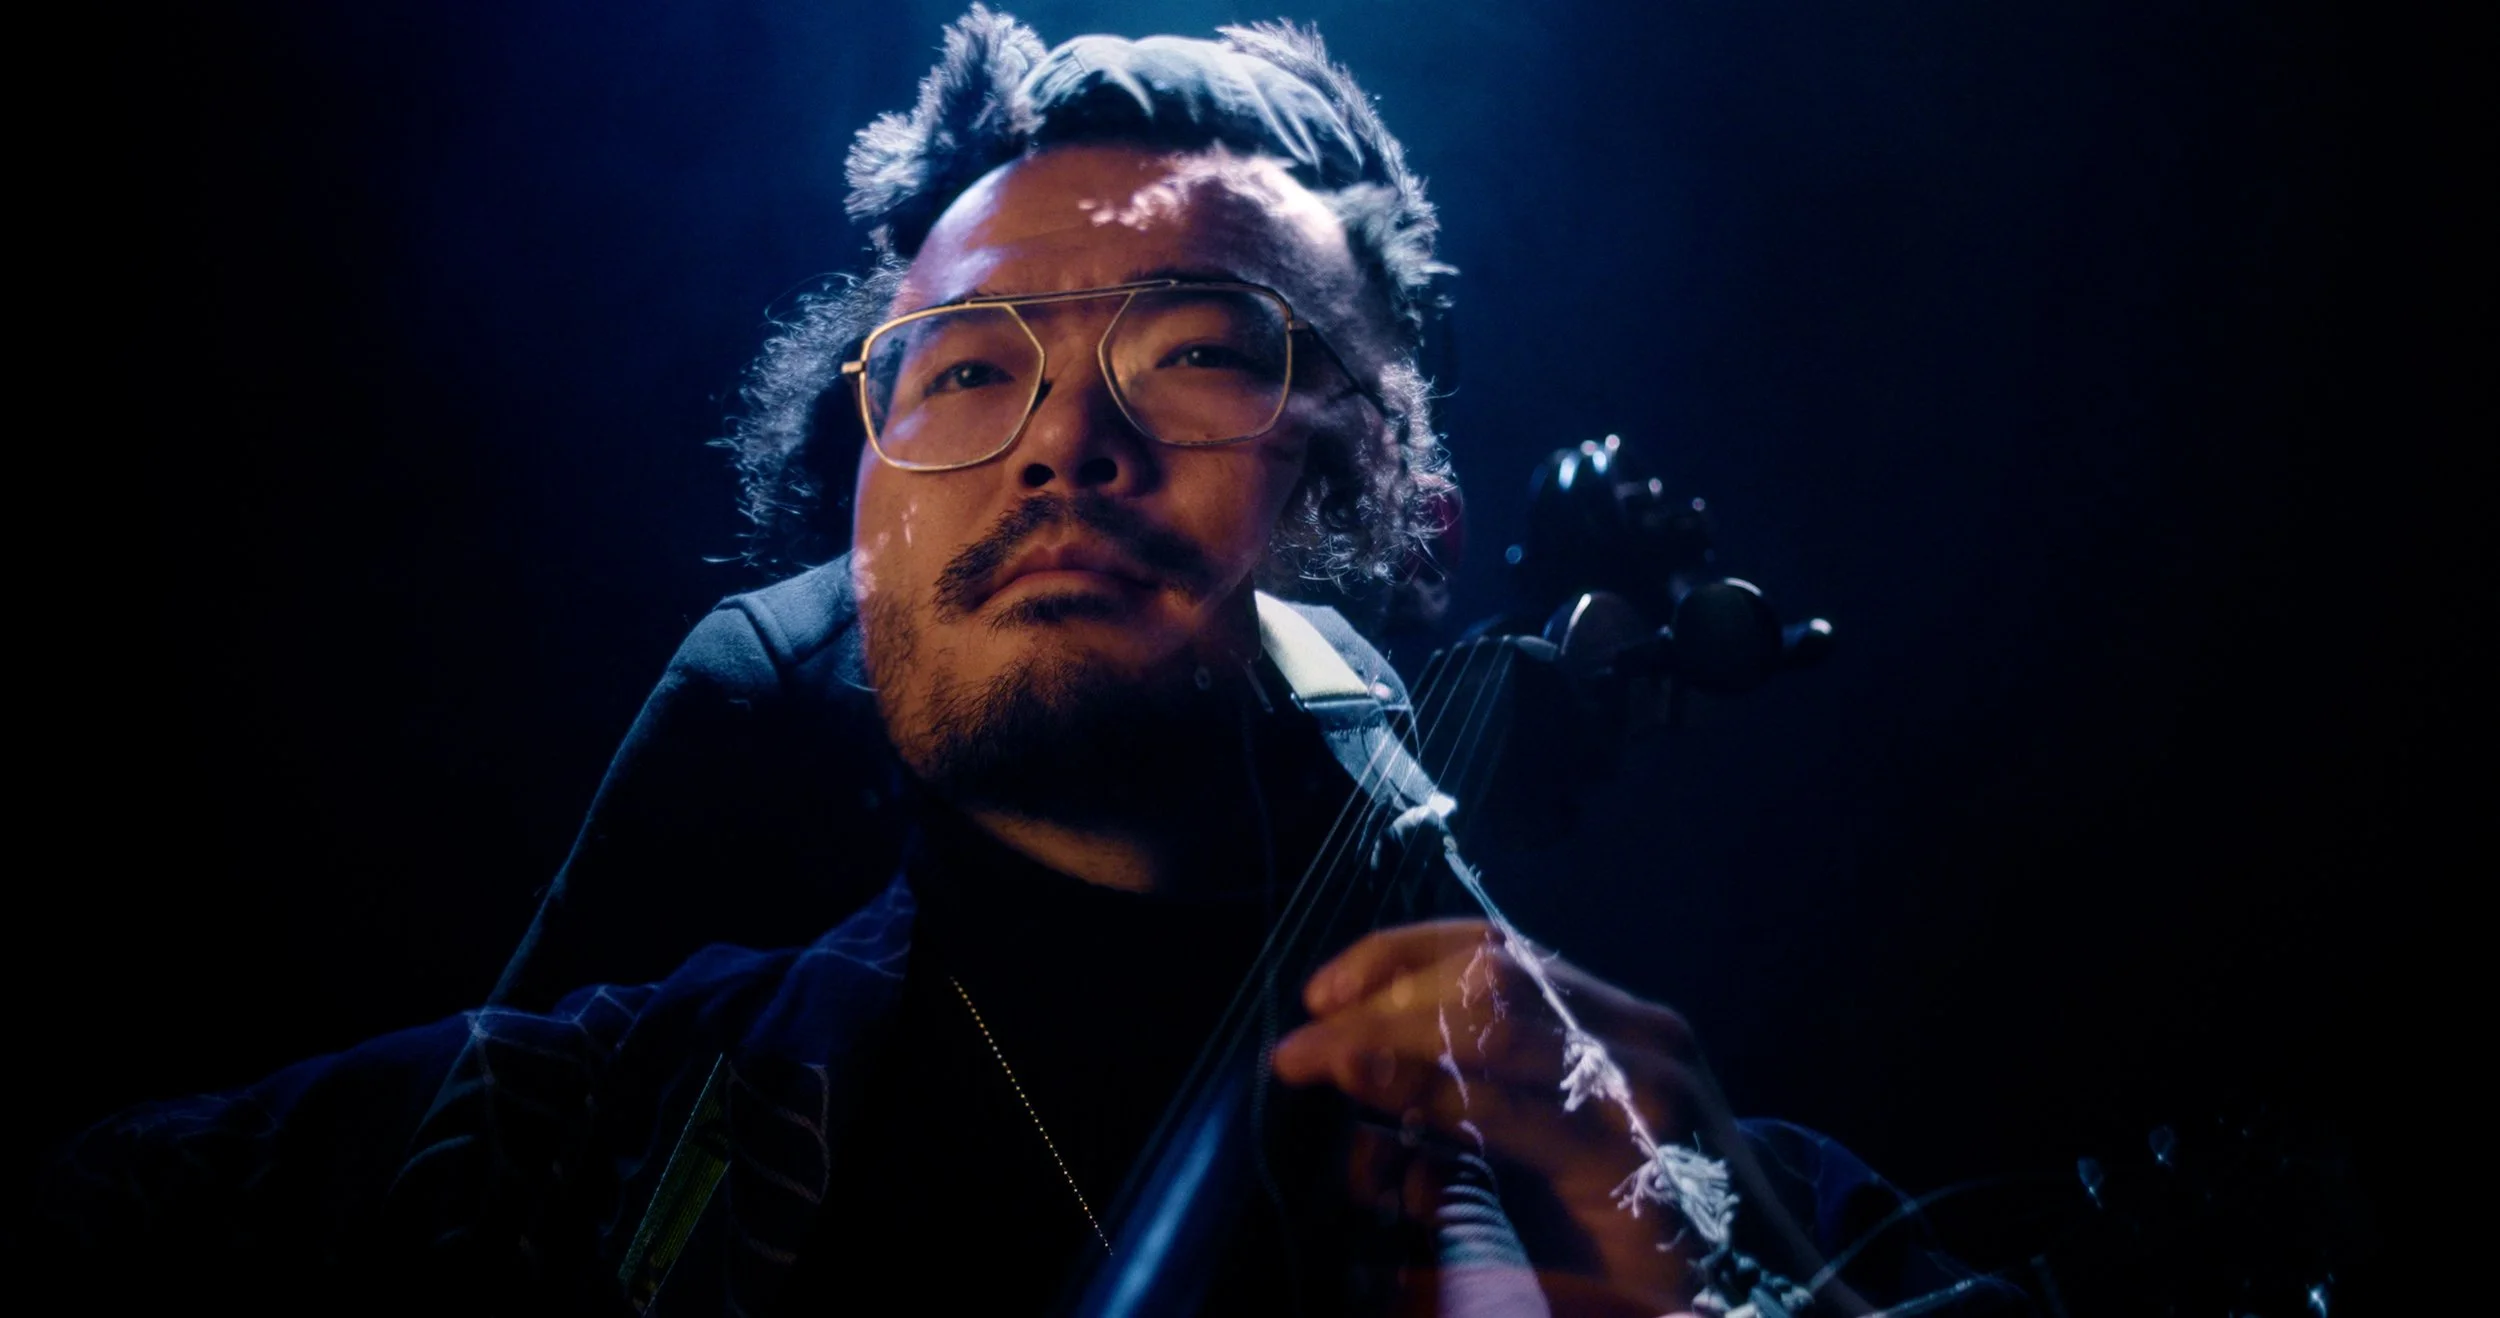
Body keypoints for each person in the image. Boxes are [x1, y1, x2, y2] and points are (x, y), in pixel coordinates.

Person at [31, 11, 2008, 1316]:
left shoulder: (1694, 1200)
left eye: (1200, 349)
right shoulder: (548, 1147)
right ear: (863, 522)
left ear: (1413, 521)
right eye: (968, 371)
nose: (1064, 441)